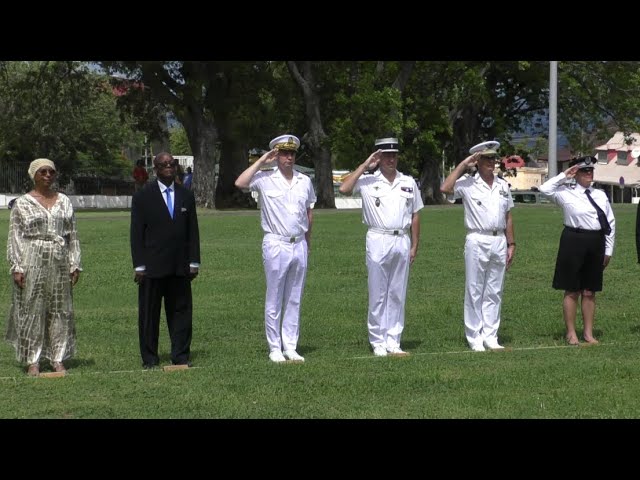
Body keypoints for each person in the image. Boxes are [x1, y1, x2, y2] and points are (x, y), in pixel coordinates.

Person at [234, 134, 316, 363]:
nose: (288, 157)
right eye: (283, 153)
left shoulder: (304, 181)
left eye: (291, 153)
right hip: (276, 243)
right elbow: (240, 183)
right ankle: (274, 347)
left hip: (298, 242)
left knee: (294, 297)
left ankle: (290, 345)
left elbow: (309, 213)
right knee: (275, 296)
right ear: (276, 155)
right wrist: (262, 161)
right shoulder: (264, 178)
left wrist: (307, 243)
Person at [339, 137, 423, 357]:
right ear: (378, 157)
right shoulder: (367, 180)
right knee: (378, 292)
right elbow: (345, 188)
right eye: (386, 155)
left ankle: (393, 341)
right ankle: (377, 340)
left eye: (394, 155)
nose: (391, 159)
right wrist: (365, 165)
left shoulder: (408, 182)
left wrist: (414, 245)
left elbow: (415, 214)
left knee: (397, 293)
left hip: (401, 239)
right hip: (378, 238)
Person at [6, 158, 82, 376]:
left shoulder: (64, 201)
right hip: (32, 259)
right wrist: (17, 266)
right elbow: (15, 236)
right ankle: (33, 359)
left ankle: (57, 358)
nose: (48, 175)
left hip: (59, 259)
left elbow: (72, 234)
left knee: (60, 308)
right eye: (43, 172)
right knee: (32, 310)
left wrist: (74, 262)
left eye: (51, 172)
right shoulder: (22, 203)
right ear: (34, 175)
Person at [440, 141, 516, 352]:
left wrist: (511, 243)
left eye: (494, 158)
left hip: (498, 239)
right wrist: (464, 164)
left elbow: (508, 216)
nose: (492, 162)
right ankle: (474, 336)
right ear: (477, 161)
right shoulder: (467, 183)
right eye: (487, 158)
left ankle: (491, 336)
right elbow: (445, 189)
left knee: (494, 290)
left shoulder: (502, 185)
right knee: (474, 289)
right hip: (477, 238)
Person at [130, 152, 201, 369]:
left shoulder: (185, 195)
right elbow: (136, 233)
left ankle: (180, 355)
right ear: (156, 169)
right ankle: (150, 358)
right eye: (164, 165)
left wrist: (194, 262)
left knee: (180, 311)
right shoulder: (143, 196)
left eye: (172, 164)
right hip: (152, 266)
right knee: (149, 314)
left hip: (180, 265)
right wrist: (139, 265)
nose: (169, 167)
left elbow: (193, 231)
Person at [539, 156, 615, 345]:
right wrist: (564, 175)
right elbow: (544, 189)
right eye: (584, 171)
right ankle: (571, 332)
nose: (589, 174)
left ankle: (588, 333)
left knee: (590, 290)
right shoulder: (565, 192)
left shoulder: (600, 194)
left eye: (591, 171)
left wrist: (609, 249)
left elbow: (610, 222)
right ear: (576, 174)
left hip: (596, 241)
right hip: (573, 239)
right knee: (572, 289)